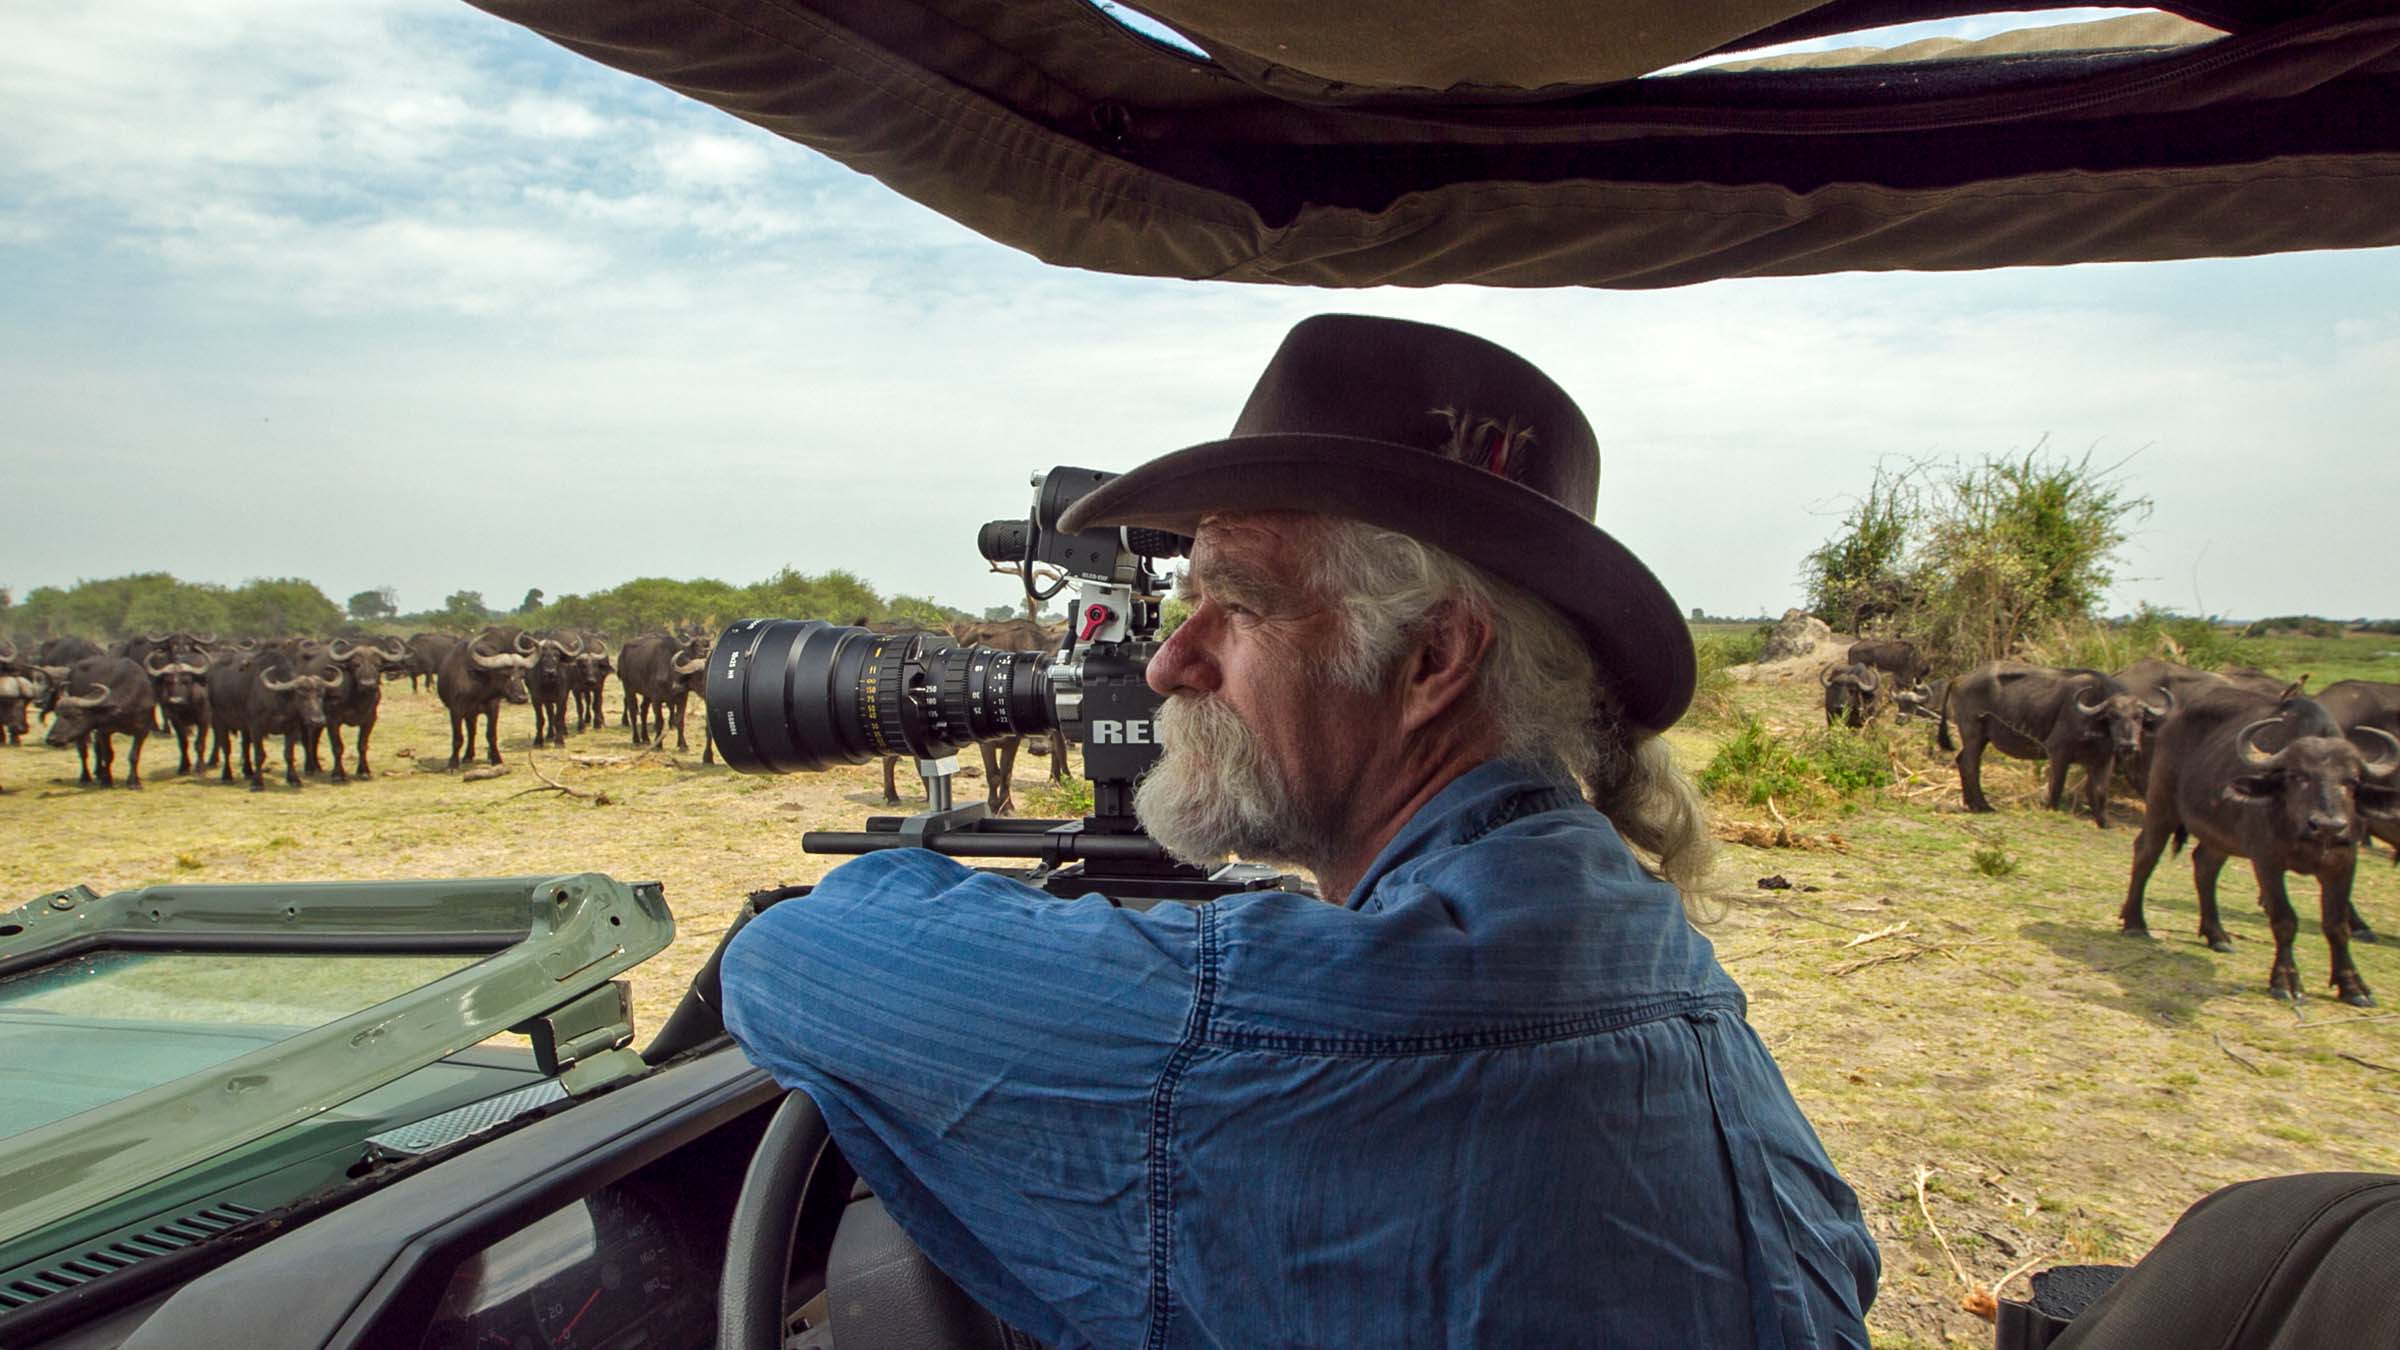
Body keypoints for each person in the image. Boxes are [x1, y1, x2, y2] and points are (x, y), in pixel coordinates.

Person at [722, 314, 1880, 1348]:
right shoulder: (1669, 967)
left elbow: (792, 962)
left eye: (1240, 604)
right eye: (1186, 606)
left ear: (1431, 658)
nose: (1170, 663)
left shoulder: (1299, 1010)